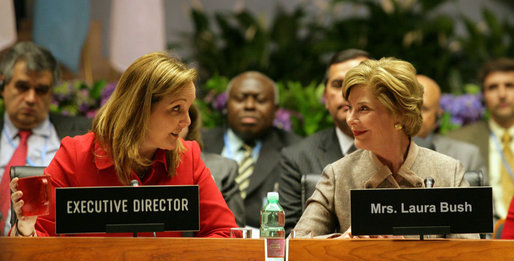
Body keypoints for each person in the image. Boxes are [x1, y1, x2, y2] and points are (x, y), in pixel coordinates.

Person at [9, 52, 236, 237]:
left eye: (188, 109)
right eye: (176, 108)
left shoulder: (189, 156)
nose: (187, 121)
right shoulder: (76, 155)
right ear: (139, 110)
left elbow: (224, 232)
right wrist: (26, 230)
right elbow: (39, 238)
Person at [293, 57, 478, 239]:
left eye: (363, 109)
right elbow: (294, 247)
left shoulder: (448, 171)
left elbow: (472, 256)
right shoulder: (338, 174)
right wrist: (344, 243)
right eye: (350, 108)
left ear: (399, 113)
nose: (350, 119)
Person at [0, 42, 91, 236]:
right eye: (22, 87)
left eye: (41, 90)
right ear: (3, 85)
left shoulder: (81, 137)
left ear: (51, 94)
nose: (31, 98)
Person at [278, 49, 369, 233]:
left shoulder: (413, 152)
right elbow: (288, 236)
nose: (347, 93)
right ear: (326, 98)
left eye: (358, 82)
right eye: (338, 84)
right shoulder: (297, 156)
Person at [202, 71, 301, 228]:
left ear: (275, 109)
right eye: (240, 99)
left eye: (260, 100)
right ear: (227, 105)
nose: (249, 106)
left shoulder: (295, 151)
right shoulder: (199, 145)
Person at [447, 58, 514, 221]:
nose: (502, 94)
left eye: (509, 86)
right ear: (483, 95)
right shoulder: (458, 142)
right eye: (493, 87)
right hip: (486, 236)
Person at [180, 103, 246, 227]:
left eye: (184, 113)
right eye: (173, 110)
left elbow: (233, 233)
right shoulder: (134, 164)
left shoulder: (222, 169)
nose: (180, 121)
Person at [415, 74, 486, 174]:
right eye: (406, 106)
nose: (412, 114)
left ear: (438, 117)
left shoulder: (467, 156)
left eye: (423, 109)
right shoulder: (385, 152)